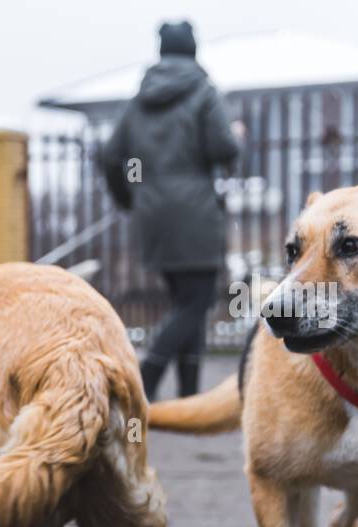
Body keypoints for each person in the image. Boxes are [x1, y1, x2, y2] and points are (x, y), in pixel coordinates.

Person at [101, 20, 241, 399]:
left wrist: (129, 198)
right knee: (197, 301)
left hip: (153, 216)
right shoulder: (203, 92)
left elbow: (110, 156)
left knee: (185, 302)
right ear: (193, 50)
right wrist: (236, 139)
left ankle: (190, 396)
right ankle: (148, 372)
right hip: (195, 211)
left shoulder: (138, 101)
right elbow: (224, 149)